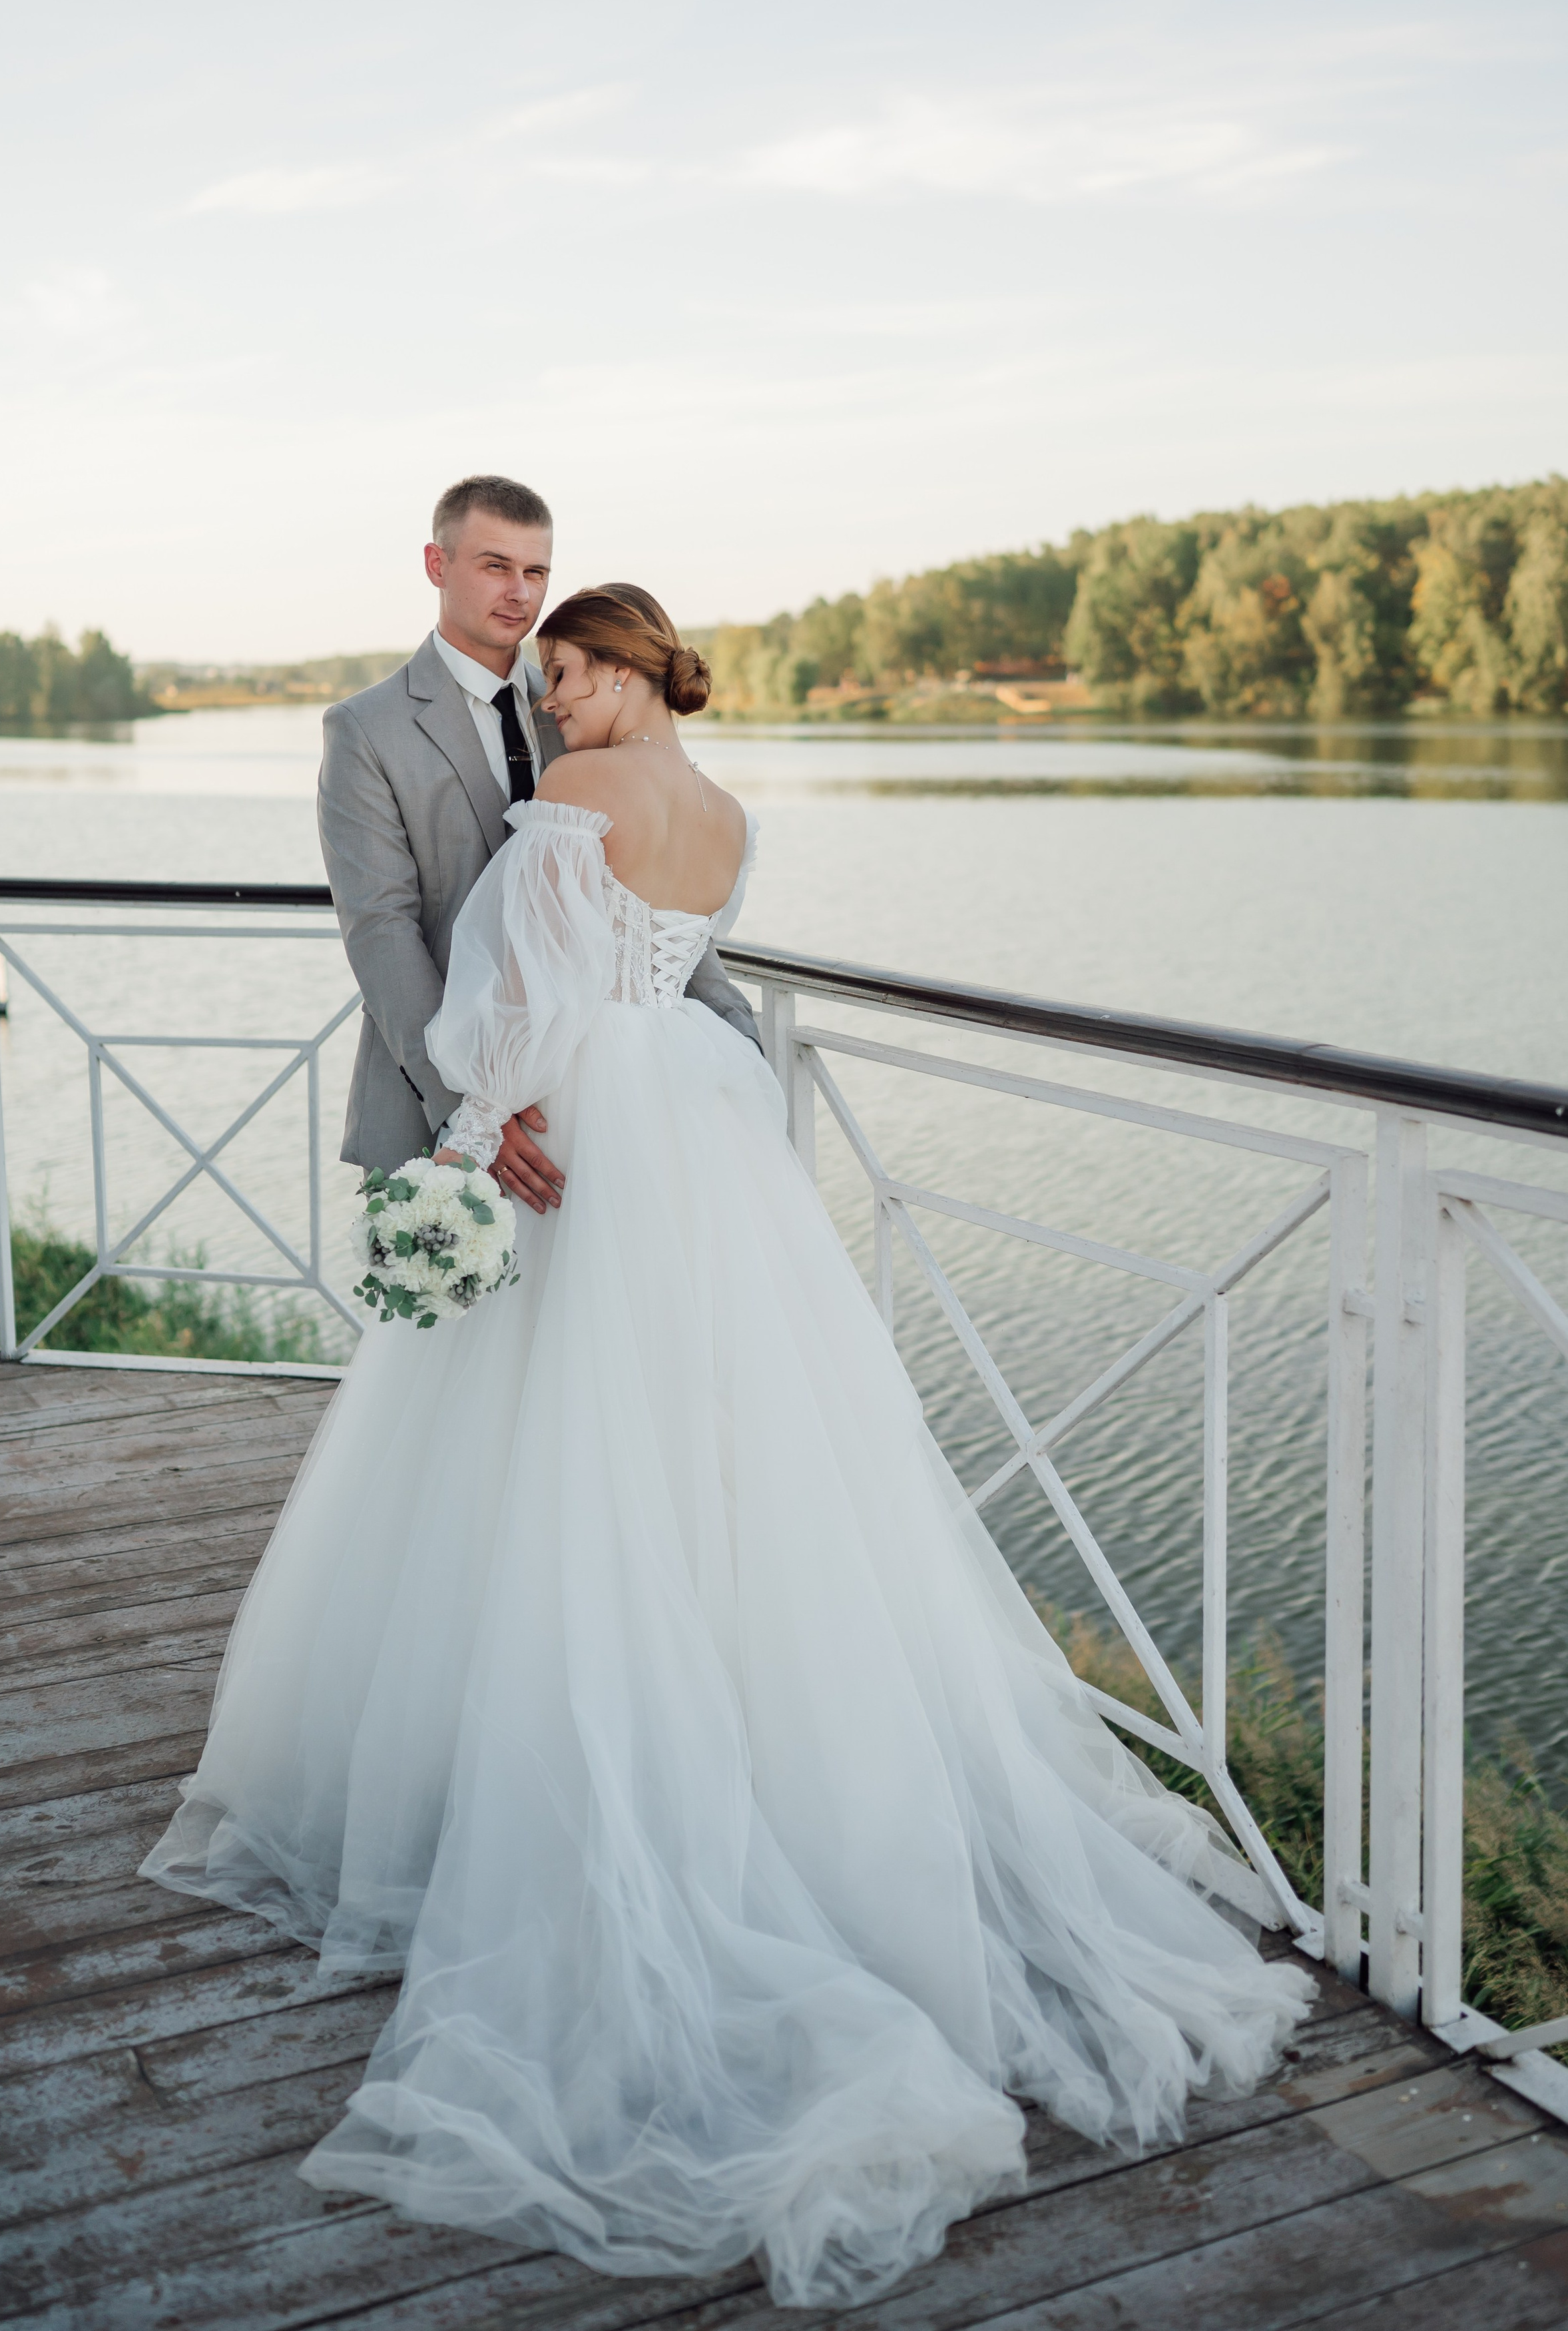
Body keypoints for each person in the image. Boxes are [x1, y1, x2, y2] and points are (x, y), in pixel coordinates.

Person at [143, 581, 1312, 2309]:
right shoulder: (733, 817)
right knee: (729, 1474)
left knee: (545, 1471)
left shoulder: (570, 808)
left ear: (622, 671)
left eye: (561, 672)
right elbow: (671, 977)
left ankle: (583, 1795)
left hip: (587, 1148)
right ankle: (777, 1768)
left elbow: (500, 1011)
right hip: (704, 1136)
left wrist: (481, 1126)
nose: (545, 702)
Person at [315, 472, 760, 1210]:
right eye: (495, 565)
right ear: (438, 565)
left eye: (536, 571)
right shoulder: (367, 728)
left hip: (608, 1108)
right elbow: (380, 927)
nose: (519, 591)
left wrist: (737, 1049)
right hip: (443, 1102)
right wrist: (472, 1106)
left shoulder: (578, 704)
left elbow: (650, 900)